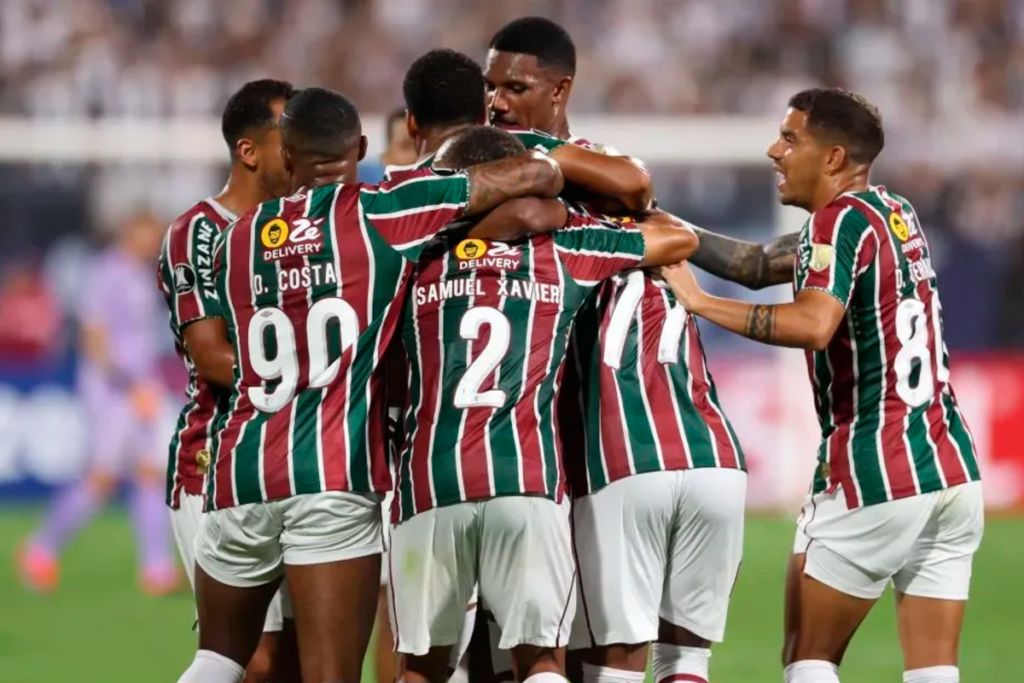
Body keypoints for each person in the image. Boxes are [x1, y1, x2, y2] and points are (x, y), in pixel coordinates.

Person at [176, 86, 566, 683]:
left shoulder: (233, 240)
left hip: (239, 470)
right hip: (331, 474)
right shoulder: (382, 212)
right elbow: (530, 176)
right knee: (331, 674)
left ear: (285, 158)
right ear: (361, 148)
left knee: (219, 659)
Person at [660, 88, 983, 683]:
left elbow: (813, 324)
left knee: (808, 658)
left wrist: (701, 303)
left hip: (876, 467)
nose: (773, 151)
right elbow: (756, 265)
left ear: (832, 157)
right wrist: (662, 221)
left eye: (790, 139)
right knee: (934, 669)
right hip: (950, 468)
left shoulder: (836, 225)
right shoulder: (891, 212)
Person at [486, 17, 748, 683]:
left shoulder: (555, 225)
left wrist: (533, 159)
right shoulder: (645, 224)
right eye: (490, 87)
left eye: (513, 86)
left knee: (603, 659)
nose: (496, 100)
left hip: (615, 456)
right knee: (685, 661)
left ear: (560, 88)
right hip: (712, 451)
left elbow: (628, 178)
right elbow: (635, 186)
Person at [389, 124, 699, 683]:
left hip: (430, 482)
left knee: (421, 669)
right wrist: (557, 211)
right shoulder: (566, 250)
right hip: (526, 478)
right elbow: (678, 238)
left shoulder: (410, 259)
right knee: (541, 662)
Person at [159, 78, 301, 683]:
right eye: (288, 137)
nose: (302, 149)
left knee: (297, 657)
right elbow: (212, 356)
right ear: (249, 151)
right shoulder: (199, 232)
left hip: (295, 463)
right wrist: (320, 366)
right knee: (253, 658)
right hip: (214, 465)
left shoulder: (304, 228)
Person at [19, 211, 177, 594]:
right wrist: (128, 385)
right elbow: (94, 338)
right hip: (112, 393)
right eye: (149, 233)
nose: (154, 241)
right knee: (101, 479)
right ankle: (41, 548)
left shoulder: (143, 274)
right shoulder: (106, 273)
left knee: (150, 474)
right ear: (130, 231)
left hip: (142, 388)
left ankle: (156, 569)